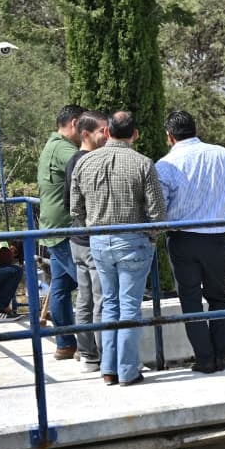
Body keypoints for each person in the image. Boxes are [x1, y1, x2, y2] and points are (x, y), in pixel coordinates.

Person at [69, 110, 167, 386]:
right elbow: (158, 213)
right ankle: (127, 370)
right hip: (133, 241)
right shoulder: (143, 163)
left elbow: (75, 208)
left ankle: (108, 369)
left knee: (109, 304)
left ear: (108, 132)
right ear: (135, 134)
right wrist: (151, 236)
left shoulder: (84, 163)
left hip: (99, 241)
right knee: (129, 307)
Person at [157, 110, 225, 374]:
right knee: (218, 297)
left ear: (170, 136)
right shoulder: (221, 154)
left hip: (182, 238)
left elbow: (159, 208)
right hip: (216, 238)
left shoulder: (164, 164)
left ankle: (205, 359)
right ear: (195, 129)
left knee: (190, 300)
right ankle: (222, 356)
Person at [37, 104, 85, 360]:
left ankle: (66, 343)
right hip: (65, 229)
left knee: (61, 286)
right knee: (90, 283)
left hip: (54, 227)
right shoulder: (64, 148)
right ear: (75, 123)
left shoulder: (53, 145)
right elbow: (87, 165)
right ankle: (91, 345)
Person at [62, 110, 108, 372]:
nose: (106, 135)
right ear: (86, 133)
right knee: (97, 298)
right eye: (102, 130)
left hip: (78, 238)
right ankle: (101, 356)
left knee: (86, 298)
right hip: (88, 240)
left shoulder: (75, 161)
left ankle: (88, 354)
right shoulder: (85, 161)